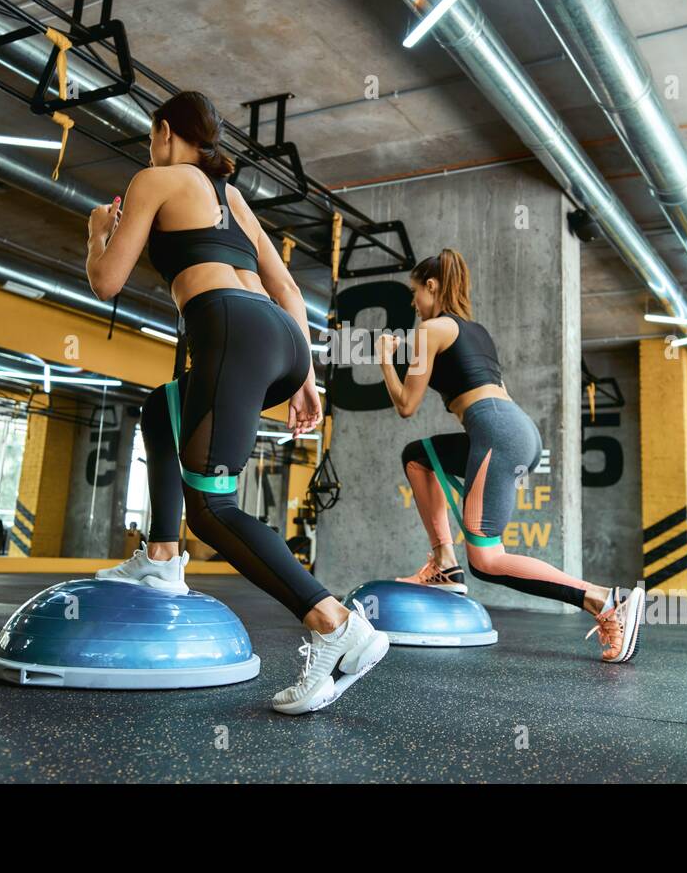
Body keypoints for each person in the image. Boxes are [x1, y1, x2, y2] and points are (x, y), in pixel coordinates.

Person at [83, 90, 388, 714]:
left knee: (213, 509)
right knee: (161, 408)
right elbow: (287, 288)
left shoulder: (155, 178)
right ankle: (162, 558)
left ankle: (336, 625)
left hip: (230, 329)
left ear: (165, 133)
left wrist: (96, 234)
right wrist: (304, 373)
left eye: (151, 137)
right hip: (277, 336)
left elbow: (106, 280)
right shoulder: (234, 198)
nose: (149, 148)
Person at [376, 249, 645, 663]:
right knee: (418, 457)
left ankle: (606, 600)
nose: (413, 303)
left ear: (431, 287)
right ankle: (445, 564)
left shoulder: (430, 329)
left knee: (486, 559)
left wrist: (385, 360)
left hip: (497, 433)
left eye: (415, 292)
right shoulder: (475, 330)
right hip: (513, 429)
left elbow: (406, 405)